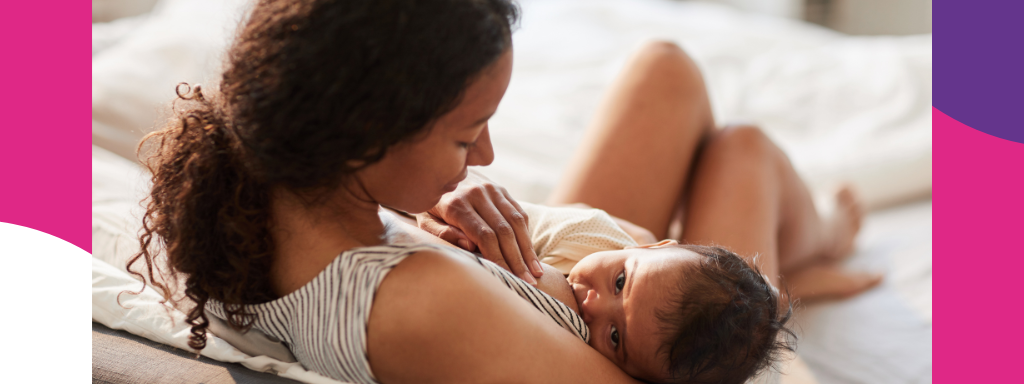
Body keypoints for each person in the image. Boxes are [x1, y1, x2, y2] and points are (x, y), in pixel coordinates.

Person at [127, 1, 877, 383]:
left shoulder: (266, 180)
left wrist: (422, 212)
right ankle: (801, 263)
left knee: (666, 70)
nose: (485, 154)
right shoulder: (423, 303)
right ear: (367, 134)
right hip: (602, 314)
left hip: (548, 282)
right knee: (742, 154)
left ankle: (801, 253)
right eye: (465, 134)